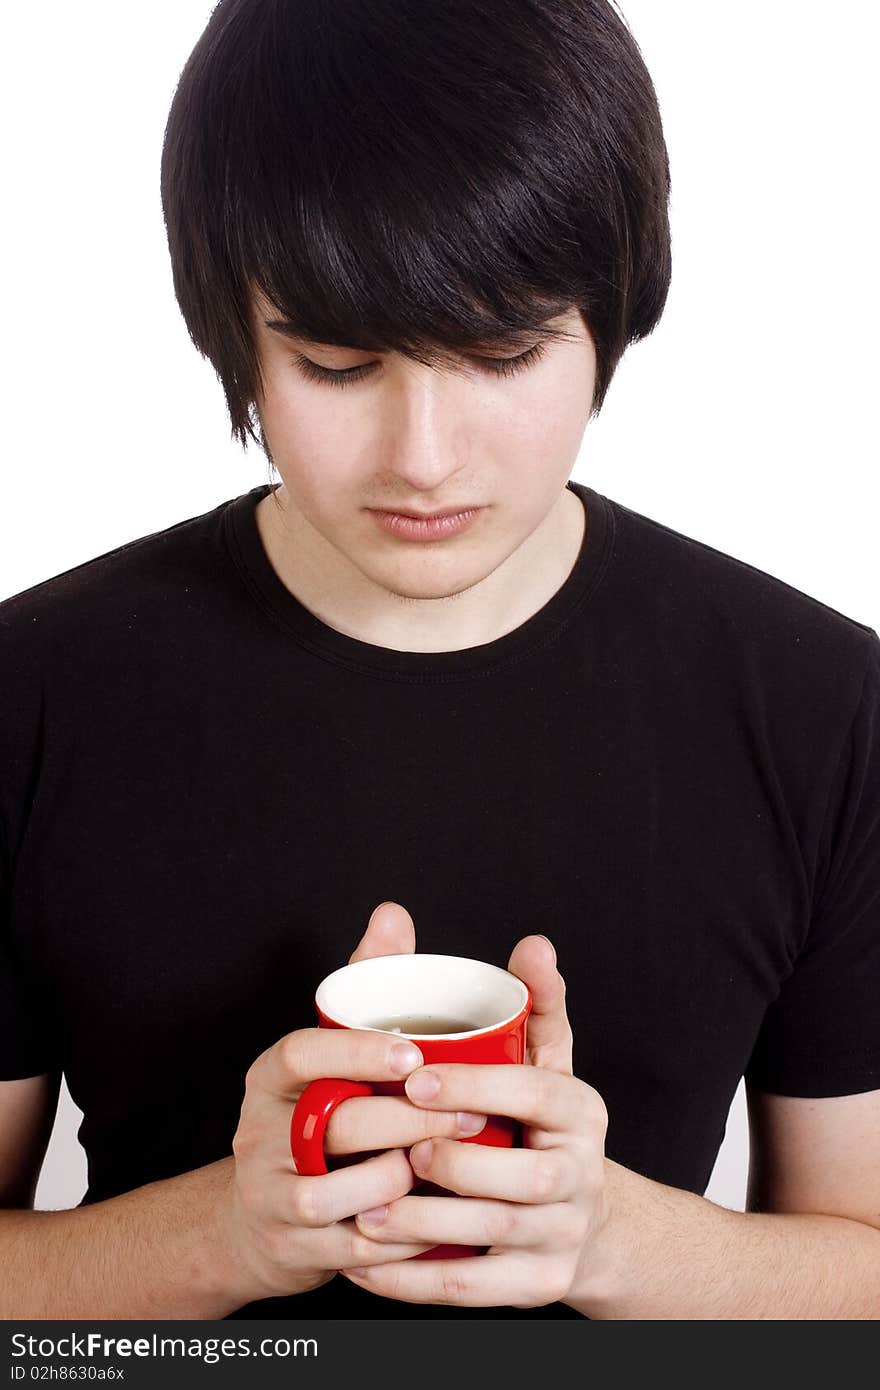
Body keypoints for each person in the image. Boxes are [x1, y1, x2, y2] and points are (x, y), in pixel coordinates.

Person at [1, 0, 878, 1322]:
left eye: (502, 352)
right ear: (231, 332)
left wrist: (610, 1245)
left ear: (615, 315)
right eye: (337, 363)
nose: (422, 455)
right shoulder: (31, 695)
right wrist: (228, 1237)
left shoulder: (826, 710)